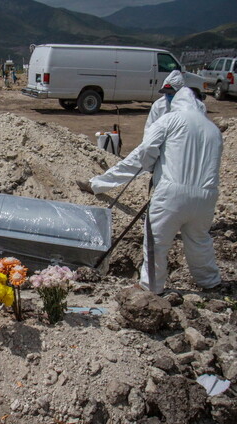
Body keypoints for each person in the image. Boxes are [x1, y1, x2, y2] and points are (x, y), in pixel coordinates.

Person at [81, 88, 223, 294]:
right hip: (206, 196)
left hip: (172, 192)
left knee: (156, 240)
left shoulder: (171, 120)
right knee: (199, 240)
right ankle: (210, 282)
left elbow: (146, 150)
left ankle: (151, 287)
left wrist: (150, 165)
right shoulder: (213, 130)